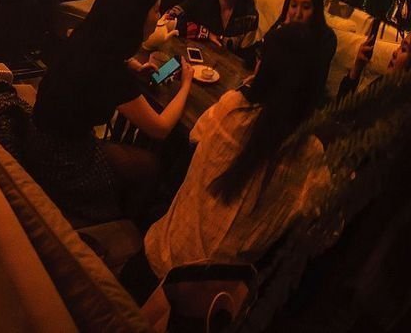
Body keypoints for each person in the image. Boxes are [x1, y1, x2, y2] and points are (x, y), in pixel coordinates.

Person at [122, 24, 332, 300]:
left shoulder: (233, 108)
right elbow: (323, 226)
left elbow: (196, 135)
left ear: (264, 68)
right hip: (208, 301)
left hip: (157, 261)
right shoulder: (310, 155)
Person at [24, 0, 193, 225]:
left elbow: (101, 62)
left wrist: (132, 65)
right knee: (150, 165)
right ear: (135, 15)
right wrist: (186, 84)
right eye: (156, 10)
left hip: (38, 139)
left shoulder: (84, 35)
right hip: (62, 163)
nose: (159, 18)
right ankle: (125, 224)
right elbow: (160, 129)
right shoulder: (110, 73)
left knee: (140, 162)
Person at [244, 0, 336, 94]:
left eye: (306, 7)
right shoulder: (284, 23)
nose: (298, 14)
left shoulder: (326, 39)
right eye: (293, 5)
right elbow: (253, 55)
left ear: (316, 9)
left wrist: (284, 36)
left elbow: (308, 87)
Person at [339, 29, 410, 101]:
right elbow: (342, 105)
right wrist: (357, 68)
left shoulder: (401, 103)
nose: (395, 52)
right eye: (400, 46)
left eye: (404, 49)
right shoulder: (383, 83)